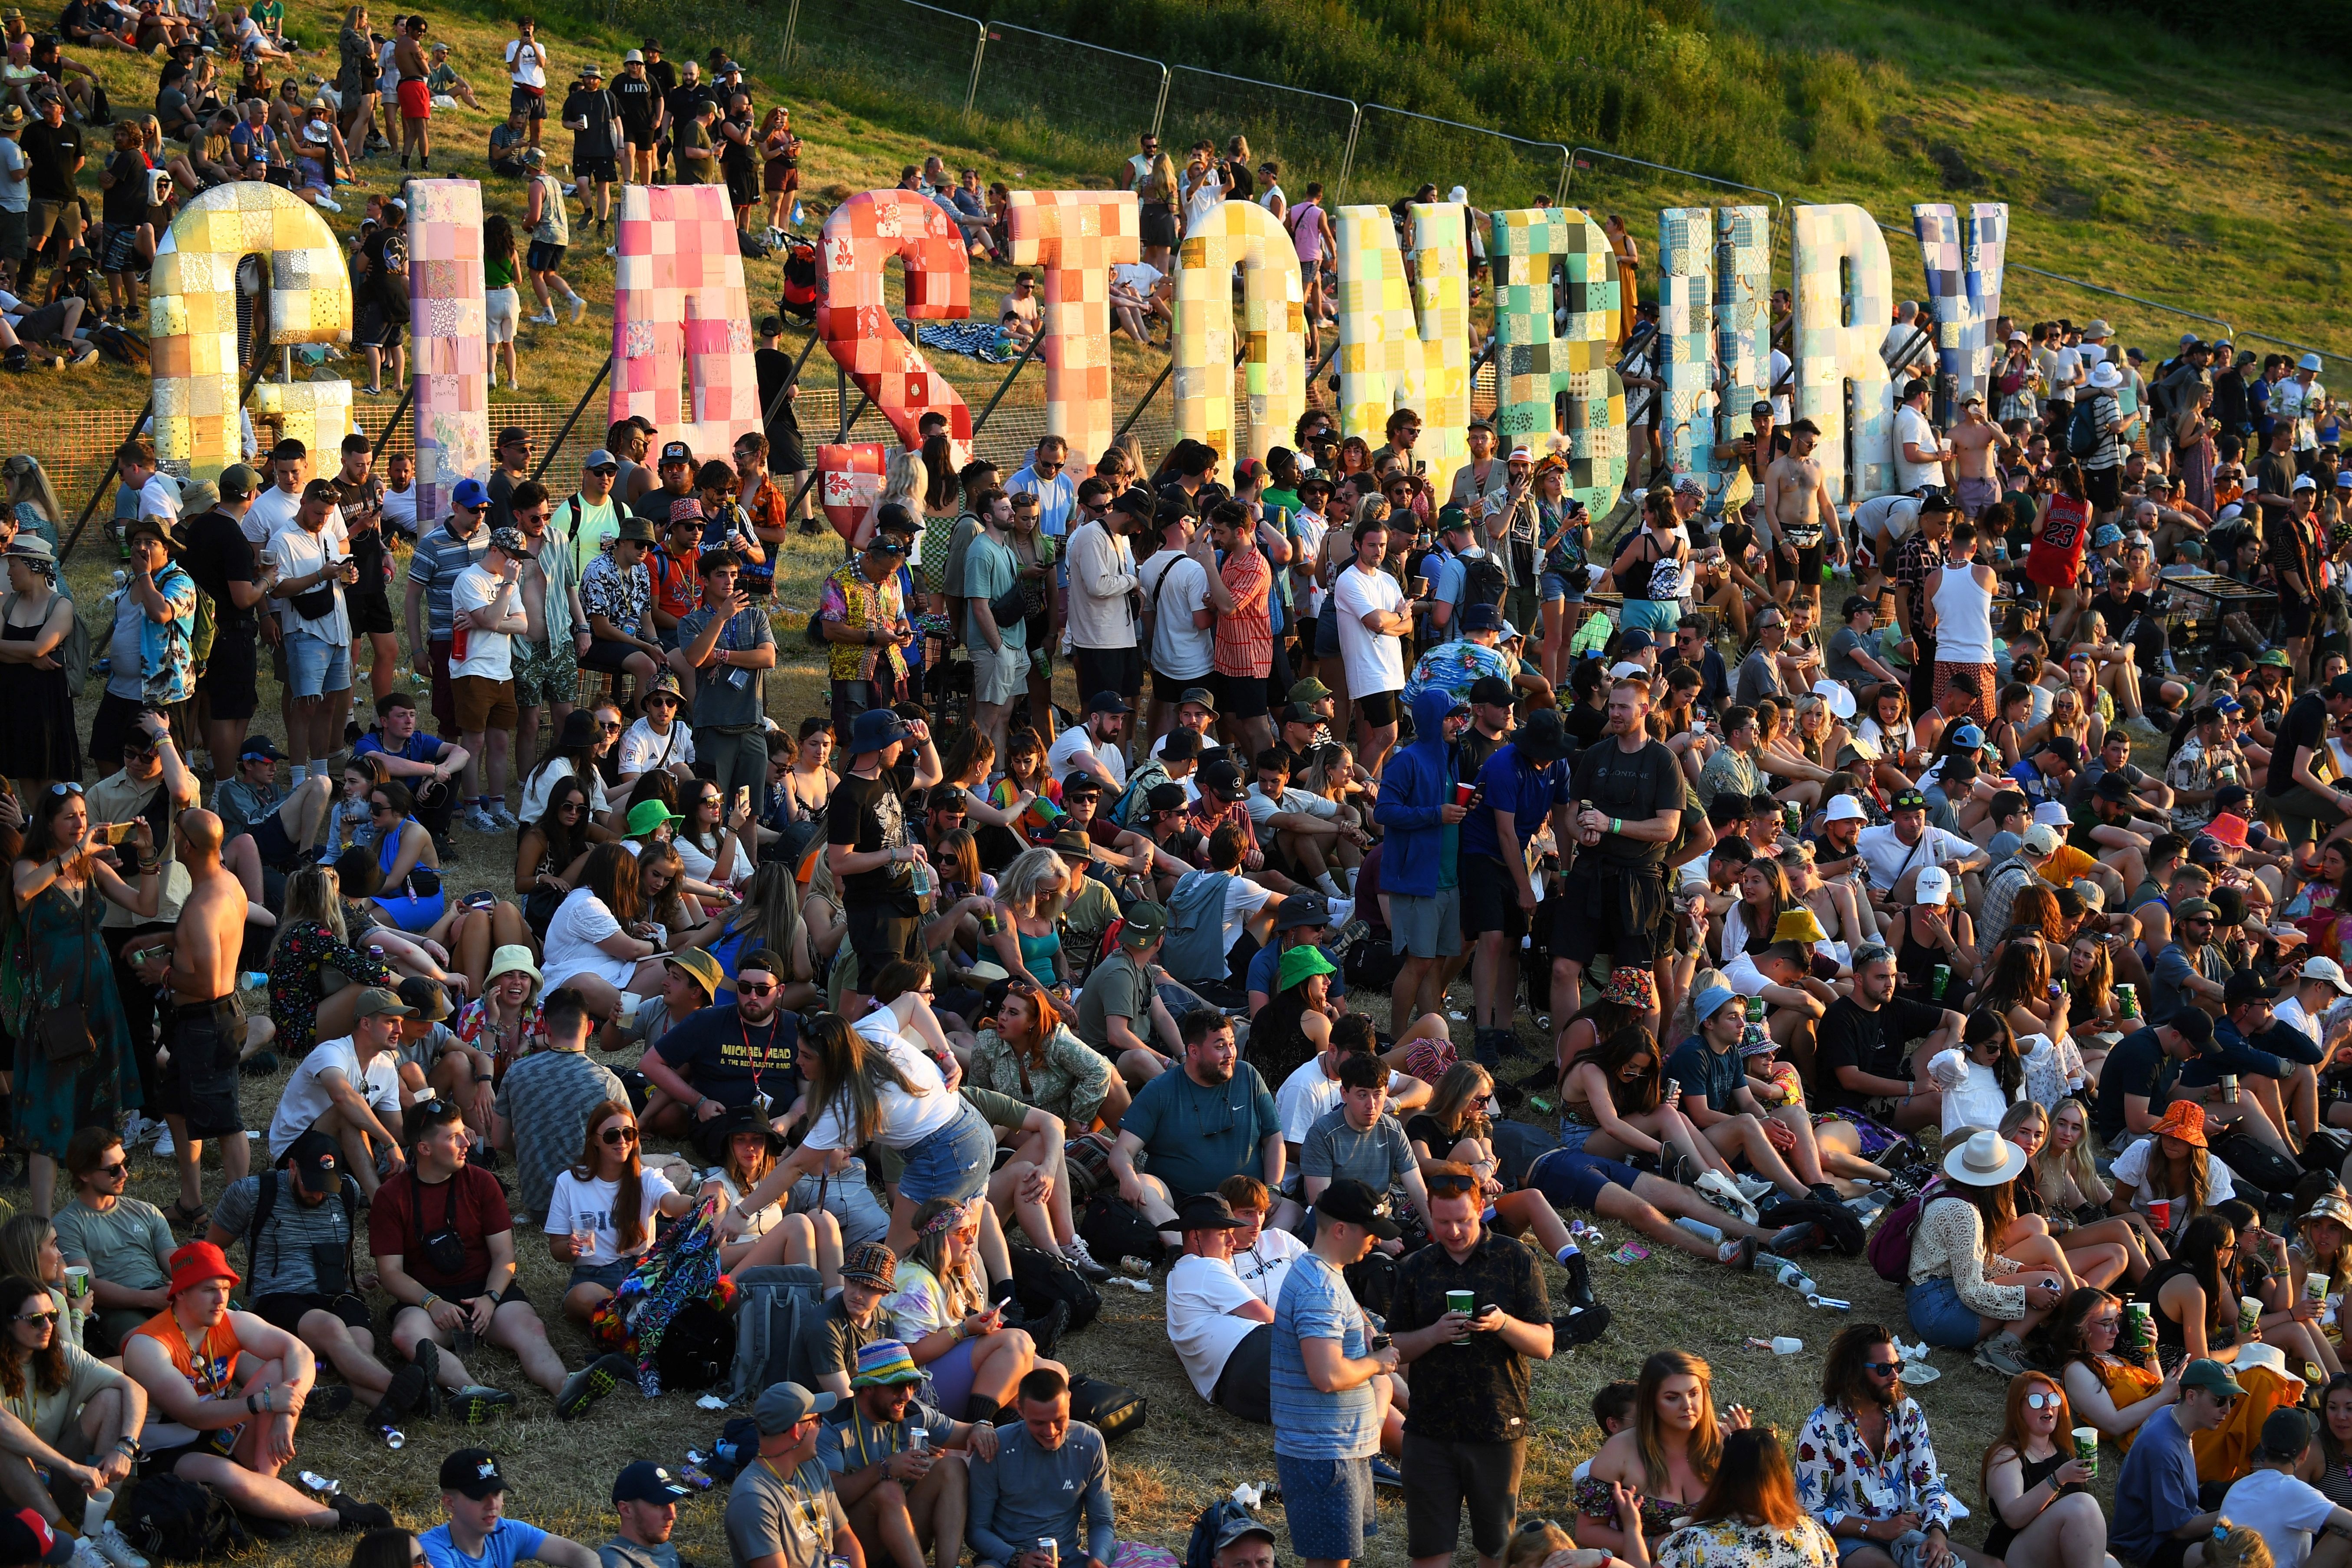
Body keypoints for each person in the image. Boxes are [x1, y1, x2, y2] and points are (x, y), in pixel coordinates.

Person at [209, 1126, 511, 1433]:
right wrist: (218, 1290)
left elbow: (342, 1242)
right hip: (280, 1296)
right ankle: (405, 1388)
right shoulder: (252, 1192)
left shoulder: (347, 1190)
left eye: (326, 1187)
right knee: (331, 1329)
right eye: (311, 1185)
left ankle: (396, 1405)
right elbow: (210, 1249)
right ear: (292, 1167)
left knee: (359, 1347)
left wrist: (349, 1277)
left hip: (335, 1292)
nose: (319, 1194)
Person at [371, 1098, 634, 1421]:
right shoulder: (391, 1196)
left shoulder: (481, 1182)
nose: (467, 1142)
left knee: (530, 1328)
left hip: (485, 1290)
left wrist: (492, 1297)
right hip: (428, 1299)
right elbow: (390, 1273)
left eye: (463, 1132)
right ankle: (470, 1392)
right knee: (407, 1335)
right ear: (424, 1149)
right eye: (453, 1137)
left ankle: (565, 1385)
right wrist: (430, 1302)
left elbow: (504, 1256)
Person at [121, 1241, 392, 1531]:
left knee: (279, 1368)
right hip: (166, 1450)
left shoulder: (230, 1321)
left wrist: (287, 1415)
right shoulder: (148, 1344)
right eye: (210, 1289)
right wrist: (263, 1402)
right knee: (228, 1476)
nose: (221, 1299)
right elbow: (192, 1414)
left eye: (225, 1288)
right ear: (182, 1292)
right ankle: (338, 1517)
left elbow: (298, 1351)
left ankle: (263, 1495)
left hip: (218, 1431)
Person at [6, 769, 159, 1221]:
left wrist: (148, 855)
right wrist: (74, 854)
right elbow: (23, 891)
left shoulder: (93, 867)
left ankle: (96, 1210)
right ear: (48, 823)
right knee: (48, 1113)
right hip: (53, 1007)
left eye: (83, 815)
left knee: (97, 1108)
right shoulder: (29, 865)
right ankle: (40, 1219)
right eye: (69, 817)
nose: (79, 823)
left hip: (97, 998)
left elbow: (146, 904)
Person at [1387, 1166, 1552, 1568]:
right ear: (1429, 1211)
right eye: (1443, 1221)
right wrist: (1434, 1334)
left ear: (1481, 1207)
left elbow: (1545, 1344)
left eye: (1463, 1219)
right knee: (1428, 1549)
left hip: (1496, 1426)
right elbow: (1394, 1348)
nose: (1454, 1231)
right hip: (1430, 1429)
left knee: (1496, 1550)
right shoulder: (1416, 1267)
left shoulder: (1516, 1258)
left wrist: (1504, 1324)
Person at [1271, 1179, 1401, 1568]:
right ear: (1341, 1229)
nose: (1375, 1242)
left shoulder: (1327, 1274)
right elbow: (1326, 1375)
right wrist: (1377, 1364)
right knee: (1330, 1563)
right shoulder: (1319, 1289)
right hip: (1326, 1454)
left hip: (1339, 1449)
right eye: (1370, 1233)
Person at [0, 1268, 147, 1561]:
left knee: (113, 1397)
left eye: (53, 1316)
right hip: (10, 1492)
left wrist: (126, 1446)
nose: (48, 1326)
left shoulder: (63, 1354)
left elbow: (134, 1388)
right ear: (7, 1323)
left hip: (56, 1478)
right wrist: (69, 1465)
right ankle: (74, 1546)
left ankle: (100, 1527)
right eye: (36, 1319)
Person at [819, 1338, 997, 1568]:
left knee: (951, 1467)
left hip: (905, 1532)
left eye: (913, 1385)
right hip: (856, 1542)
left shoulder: (915, 1413)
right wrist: (884, 1469)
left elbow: (969, 1434)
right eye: (896, 1387)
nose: (907, 1395)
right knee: (888, 1490)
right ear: (868, 1387)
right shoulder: (833, 1426)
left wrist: (982, 1424)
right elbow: (832, 1498)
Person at [1791, 1322, 1958, 1566]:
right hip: (1847, 1537)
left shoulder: (1907, 1412)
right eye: (1883, 1369)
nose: (1895, 1376)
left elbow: (1930, 1484)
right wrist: (1875, 1529)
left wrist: (1937, 1534)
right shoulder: (1822, 1427)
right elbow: (1809, 1510)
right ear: (1854, 1373)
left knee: (1991, 1566)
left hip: (1901, 1530)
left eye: (1897, 1366)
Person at [1110, 1009, 1283, 1243]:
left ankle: (1250, 1251)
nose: (1231, 1053)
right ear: (1194, 1051)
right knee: (1143, 1187)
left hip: (1248, 1206)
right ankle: (1190, 1248)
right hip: (1186, 1207)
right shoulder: (1161, 1090)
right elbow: (1122, 1151)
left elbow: (1274, 1138)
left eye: (1232, 1044)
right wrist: (1127, 1177)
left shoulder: (1248, 1076)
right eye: (1220, 1046)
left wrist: (1273, 1187)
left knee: (1291, 1211)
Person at [545, 1097, 694, 1324]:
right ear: (595, 1141)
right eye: (612, 1135)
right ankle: (636, 1316)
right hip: (594, 1276)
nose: (622, 1141)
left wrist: (697, 1203)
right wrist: (570, 1247)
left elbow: (673, 1203)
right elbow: (557, 1249)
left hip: (641, 1272)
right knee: (584, 1297)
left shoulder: (646, 1177)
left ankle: (630, 1318)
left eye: (629, 1133)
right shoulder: (570, 1182)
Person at [493, 986, 625, 1220]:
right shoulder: (607, 1082)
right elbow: (629, 1150)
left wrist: (528, 1150)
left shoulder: (516, 1073)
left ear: (546, 1028)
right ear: (589, 1029)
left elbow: (500, 1140)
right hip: (590, 1206)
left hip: (539, 1207)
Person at [265, 987, 410, 1199]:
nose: (400, 1030)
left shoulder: (386, 1067)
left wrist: (434, 1131)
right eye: (391, 1022)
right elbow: (343, 1097)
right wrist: (389, 1142)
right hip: (293, 1152)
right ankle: (378, 1201)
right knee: (347, 1112)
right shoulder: (332, 1051)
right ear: (366, 1023)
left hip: (339, 1150)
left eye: (401, 1023)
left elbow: (397, 1128)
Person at [966, 1367, 1114, 1568]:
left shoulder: (1089, 1443)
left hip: (1067, 1560)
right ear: (1020, 1410)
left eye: (1059, 1420)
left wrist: (1098, 1559)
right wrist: (1017, 1557)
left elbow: (1102, 1522)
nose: (1050, 1431)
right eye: (1039, 1423)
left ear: (1069, 1401)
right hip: (1004, 1559)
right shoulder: (996, 1446)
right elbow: (976, 1531)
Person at [51, 1130, 174, 1358]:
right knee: (149, 1353)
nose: (125, 1174)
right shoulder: (67, 1224)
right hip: (118, 1310)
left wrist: (189, 1283)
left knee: (228, 1329)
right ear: (85, 1174)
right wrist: (151, 1299)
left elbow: (174, 1261)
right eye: (113, 1170)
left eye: (125, 1163)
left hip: (162, 1295)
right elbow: (87, 1285)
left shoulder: (147, 1211)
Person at [2112, 1357, 2239, 1568]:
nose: (2227, 1410)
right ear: (2191, 1397)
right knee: (2224, 1559)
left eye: (2231, 1401)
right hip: (2149, 1542)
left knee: (2232, 1493)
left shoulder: (2171, 1414)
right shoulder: (2164, 1449)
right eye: (2219, 1400)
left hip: (2175, 1515)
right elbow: (2180, 1530)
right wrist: (2233, 1515)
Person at [448, 525, 529, 834]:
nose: (516, 564)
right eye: (512, 557)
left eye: (520, 559)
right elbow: (496, 618)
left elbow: (523, 625)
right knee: (475, 741)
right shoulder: (470, 579)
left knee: (499, 740)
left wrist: (487, 621)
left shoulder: (510, 582)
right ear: (494, 550)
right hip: (473, 670)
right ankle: (472, 807)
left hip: (502, 670)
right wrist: (504, 595)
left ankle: (497, 805)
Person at [722, 1381, 856, 1568]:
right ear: (796, 1430)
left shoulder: (813, 1466)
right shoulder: (753, 1499)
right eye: (817, 1420)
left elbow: (843, 1535)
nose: (822, 1427)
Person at [419, 1447, 602, 1568]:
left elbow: (582, 1556)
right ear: (450, 1503)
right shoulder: (431, 1551)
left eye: (497, 1493)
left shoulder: (507, 1532)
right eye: (480, 1496)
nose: (493, 1505)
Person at [2220, 1407, 2352, 1568]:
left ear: (2262, 1444)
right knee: (2342, 1539)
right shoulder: (2296, 1491)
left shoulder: (2239, 1486)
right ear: (2305, 1453)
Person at [602, 1461, 694, 1568]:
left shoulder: (666, 1549)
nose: (672, 1516)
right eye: (659, 1505)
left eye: (672, 1503)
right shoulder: (615, 1561)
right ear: (626, 1510)